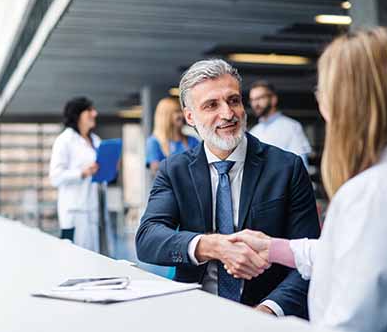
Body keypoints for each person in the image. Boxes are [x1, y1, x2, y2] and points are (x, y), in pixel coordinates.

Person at [232, 27, 387, 332]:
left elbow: (347, 324)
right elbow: (358, 256)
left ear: (348, 102)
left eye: (323, 90)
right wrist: (275, 248)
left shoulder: (371, 195)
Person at [135, 59, 321, 318]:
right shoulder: (174, 170)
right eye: (212, 105)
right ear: (190, 116)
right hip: (195, 311)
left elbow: (309, 258)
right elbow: (148, 239)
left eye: (233, 100)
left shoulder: (286, 168)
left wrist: (268, 311)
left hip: (266, 312)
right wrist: (212, 246)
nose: (228, 113)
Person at [49, 97, 101, 252]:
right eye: (89, 110)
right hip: (74, 211)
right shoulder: (65, 140)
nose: (95, 113)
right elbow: (55, 177)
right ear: (78, 115)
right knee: (76, 258)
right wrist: (81, 173)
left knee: (95, 260)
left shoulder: (96, 140)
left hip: (92, 209)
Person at [248, 80, 312, 168]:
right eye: (252, 100)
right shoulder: (253, 132)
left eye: (260, 98)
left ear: (273, 99)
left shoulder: (292, 127)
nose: (255, 104)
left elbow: (301, 165)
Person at [146, 97, 199, 175]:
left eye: (181, 111)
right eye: (177, 112)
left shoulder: (192, 140)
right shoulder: (154, 142)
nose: (182, 115)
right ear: (166, 116)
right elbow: (156, 170)